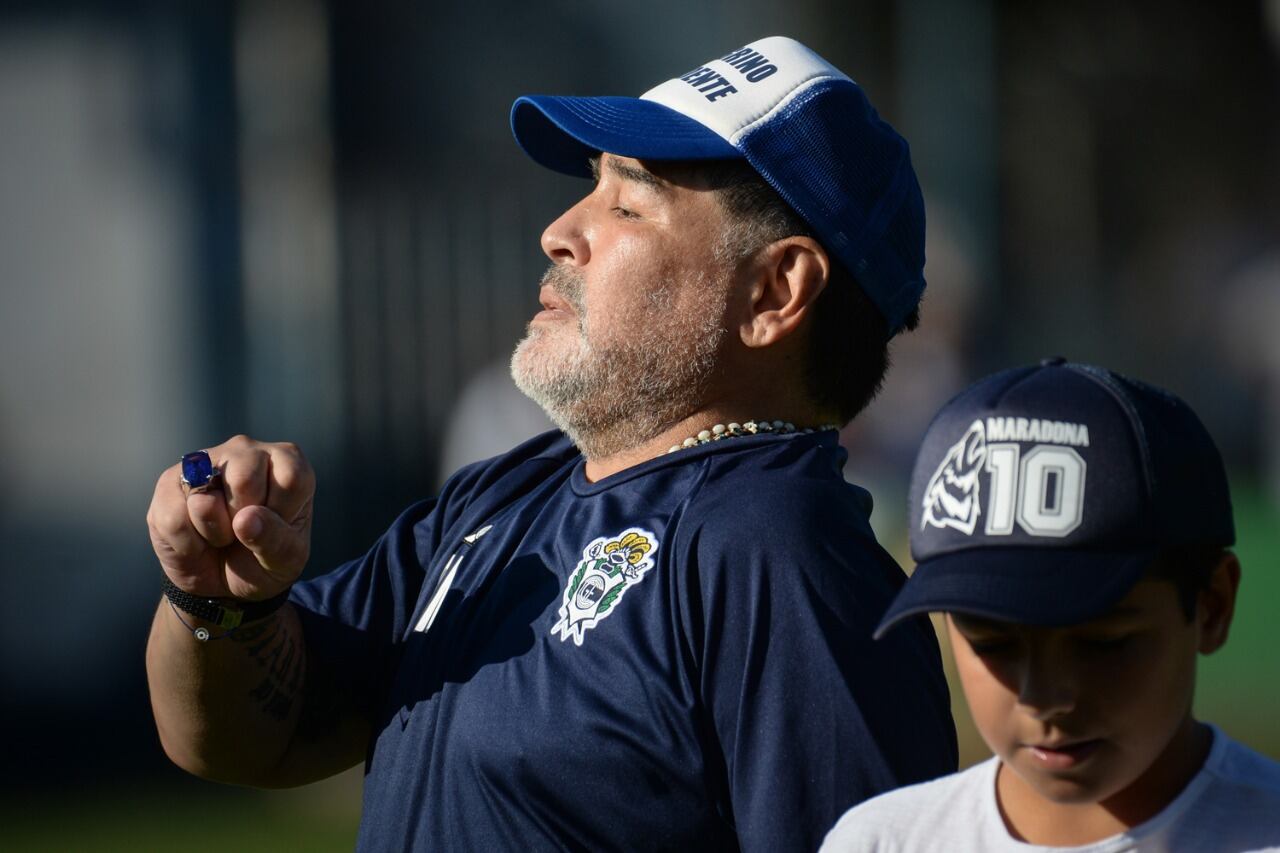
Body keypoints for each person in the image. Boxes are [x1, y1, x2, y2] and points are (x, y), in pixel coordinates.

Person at [146, 36, 957, 851]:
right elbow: (246, 740)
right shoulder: (504, 497)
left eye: (629, 203)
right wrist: (219, 601)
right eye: (590, 187)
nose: (560, 231)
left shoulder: (781, 558)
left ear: (775, 290)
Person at [821, 357, 1280, 852]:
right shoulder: (881, 841)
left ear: (1212, 605)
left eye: (1103, 644)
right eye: (994, 643)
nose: (1046, 697)